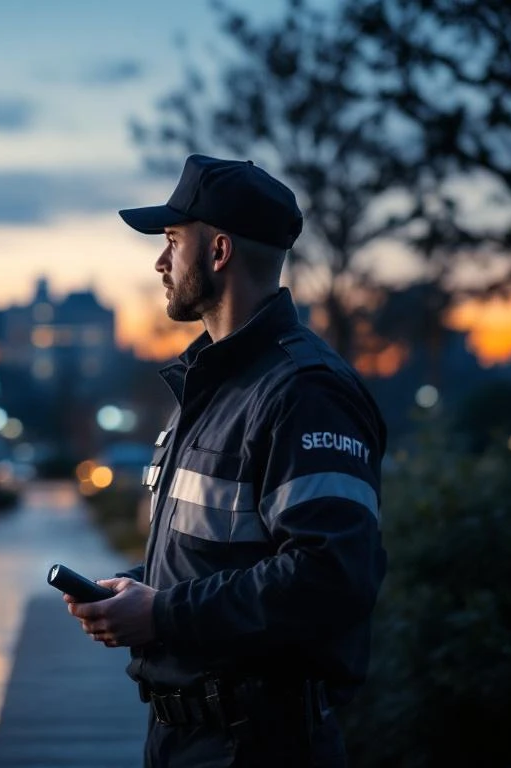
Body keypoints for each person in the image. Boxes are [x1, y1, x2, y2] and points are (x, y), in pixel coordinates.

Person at [65, 154, 387, 767]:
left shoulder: (303, 391)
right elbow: (223, 548)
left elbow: (332, 575)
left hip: (259, 746)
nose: (160, 263)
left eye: (170, 242)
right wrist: (136, 591)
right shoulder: (212, 386)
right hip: (186, 738)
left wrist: (160, 613)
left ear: (217, 252)